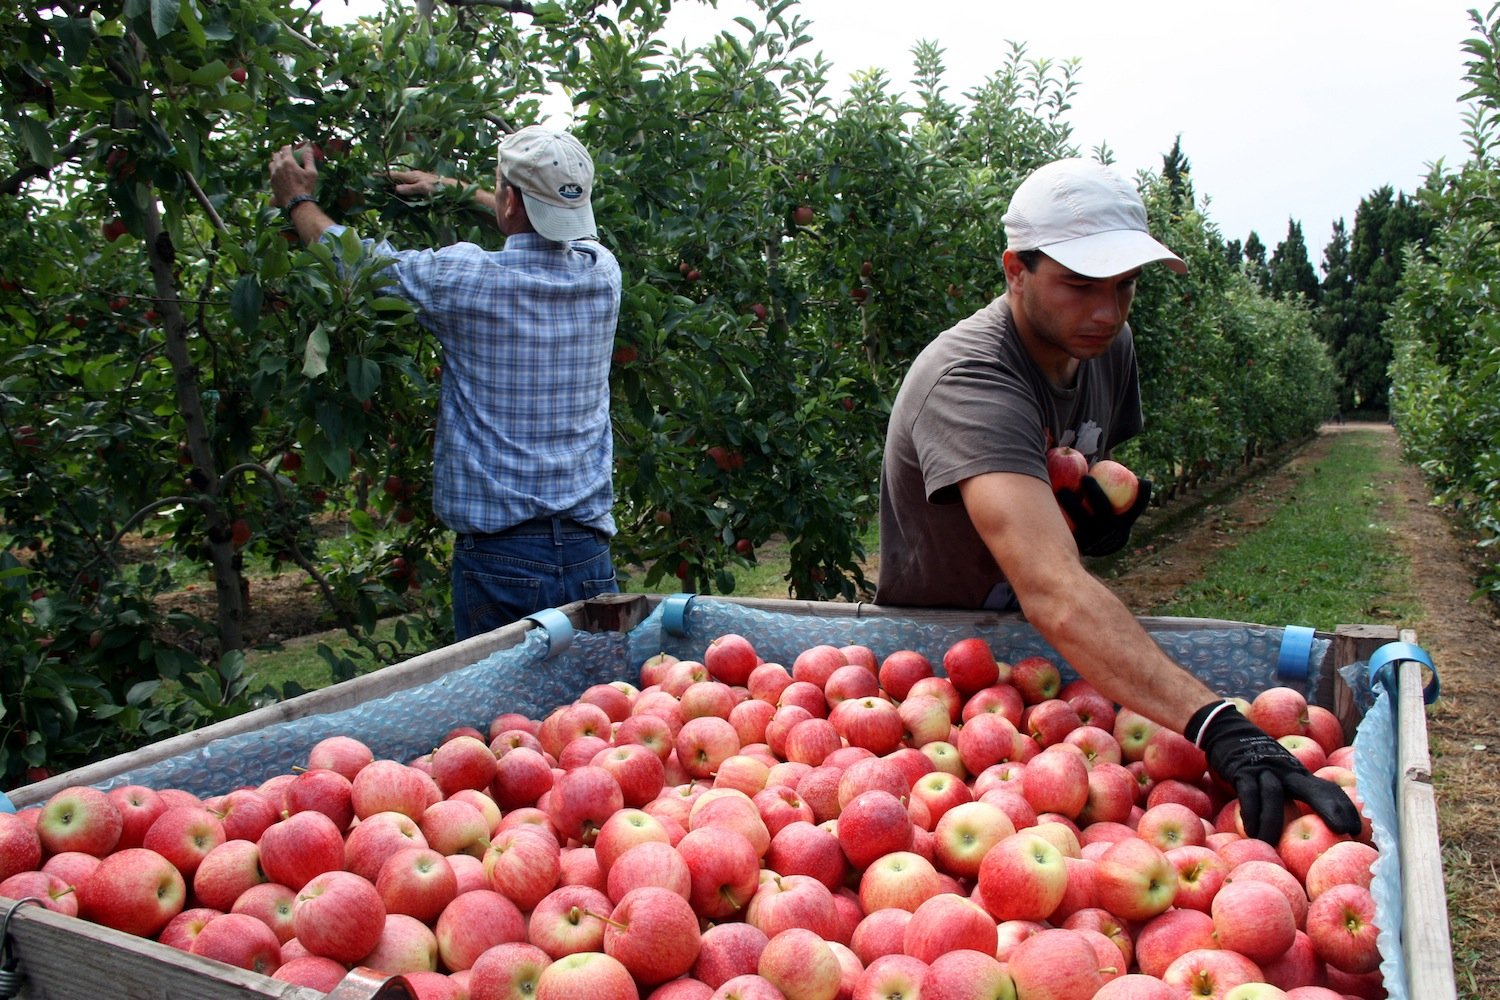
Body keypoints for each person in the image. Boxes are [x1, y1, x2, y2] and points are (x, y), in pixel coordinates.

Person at [877, 158, 1359, 843]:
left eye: (1125, 286)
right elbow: (1053, 589)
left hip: (1057, 665)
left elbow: (1086, 465)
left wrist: (1096, 514)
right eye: (1078, 285)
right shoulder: (971, 381)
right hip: (944, 668)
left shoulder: (1105, 344)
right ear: (1015, 270)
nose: (1107, 312)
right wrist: (1217, 725)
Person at [268, 126, 622, 640]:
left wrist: (297, 199)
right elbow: (542, 222)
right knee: (593, 708)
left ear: (508, 201)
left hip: (503, 561)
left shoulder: (463, 279)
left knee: (508, 721)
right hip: (591, 552)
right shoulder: (603, 274)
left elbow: (356, 261)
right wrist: (453, 189)